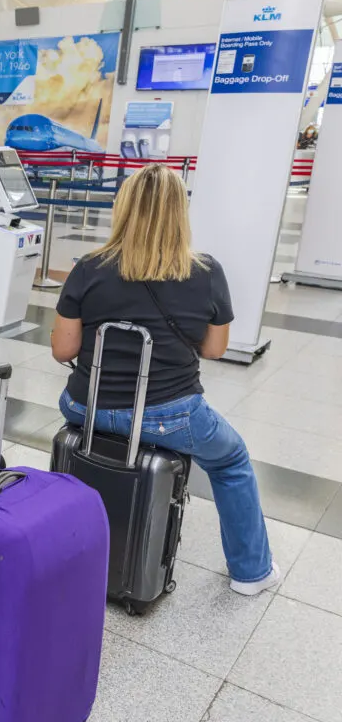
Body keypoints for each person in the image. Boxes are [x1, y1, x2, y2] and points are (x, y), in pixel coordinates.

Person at [51, 164, 277, 596]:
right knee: (230, 462)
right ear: (180, 213)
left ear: (124, 208)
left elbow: (63, 350)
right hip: (170, 414)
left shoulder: (88, 268)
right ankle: (252, 573)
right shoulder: (206, 271)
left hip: (86, 407)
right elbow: (213, 349)